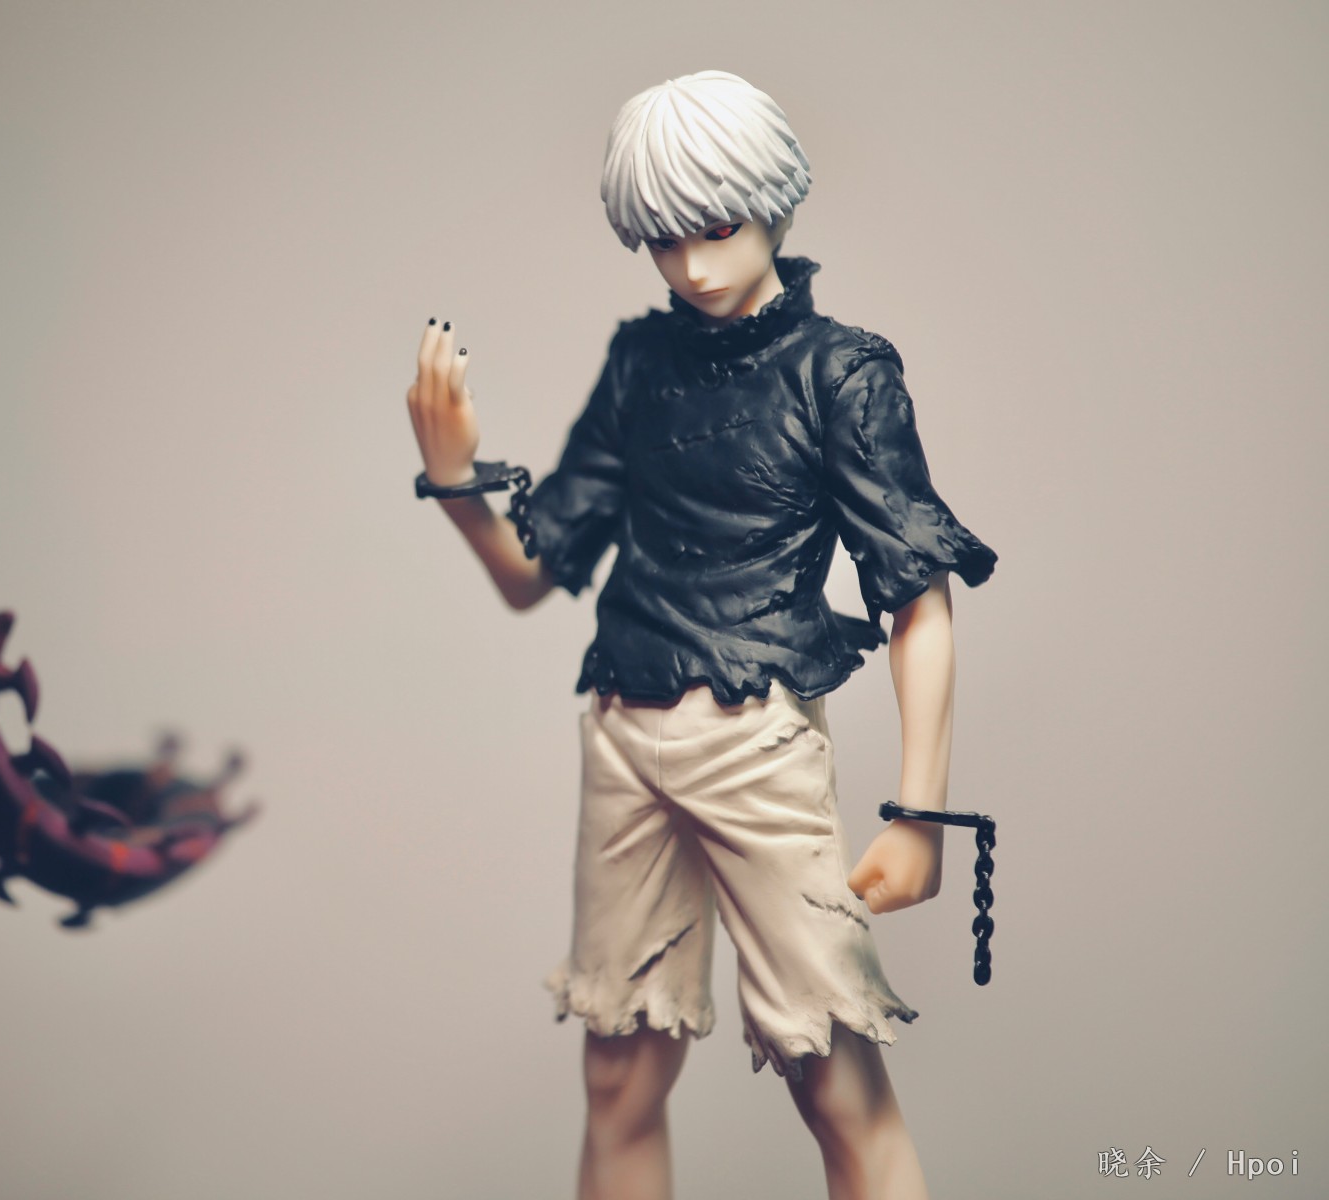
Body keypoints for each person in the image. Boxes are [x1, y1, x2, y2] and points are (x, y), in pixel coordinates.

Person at [406, 71, 995, 1200]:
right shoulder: (640, 364)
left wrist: (920, 812)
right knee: (618, 1073)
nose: (692, 266)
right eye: (663, 241)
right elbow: (535, 572)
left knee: (836, 1077)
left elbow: (918, 594)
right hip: (623, 735)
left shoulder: (839, 371)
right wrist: (456, 479)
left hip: (756, 744)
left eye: (715, 227)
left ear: (772, 201)